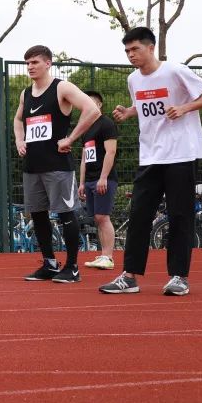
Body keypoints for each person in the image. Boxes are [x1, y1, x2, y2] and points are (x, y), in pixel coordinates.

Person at [99, 27, 202, 296]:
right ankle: (129, 276)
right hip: (150, 155)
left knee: (179, 215)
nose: (130, 55)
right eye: (127, 51)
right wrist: (129, 111)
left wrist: (184, 107)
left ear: (150, 48)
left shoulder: (175, 71)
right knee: (139, 214)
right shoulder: (133, 80)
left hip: (181, 154)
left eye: (135, 49)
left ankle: (179, 277)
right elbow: (145, 104)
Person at [13, 45, 100, 283]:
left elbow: (92, 110)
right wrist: (19, 139)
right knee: (38, 215)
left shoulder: (62, 87)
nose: (30, 66)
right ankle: (49, 263)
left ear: (48, 63)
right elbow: (18, 118)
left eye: (35, 62)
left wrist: (71, 138)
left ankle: (72, 267)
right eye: (27, 63)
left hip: (58, 165)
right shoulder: (25, 93)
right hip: (32, 165)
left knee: (65, 214)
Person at [77, 90, 119, 270]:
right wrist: (81, 183)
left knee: (103, 216)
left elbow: (111, 151)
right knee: (97, 218)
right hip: (90, 179)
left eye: (91, 102)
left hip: (104, 179)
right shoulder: (85, 128)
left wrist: (103, 177)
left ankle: (108, 256)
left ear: (99, 105)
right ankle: (103, 255)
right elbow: (84, 158)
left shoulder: (106, 124)